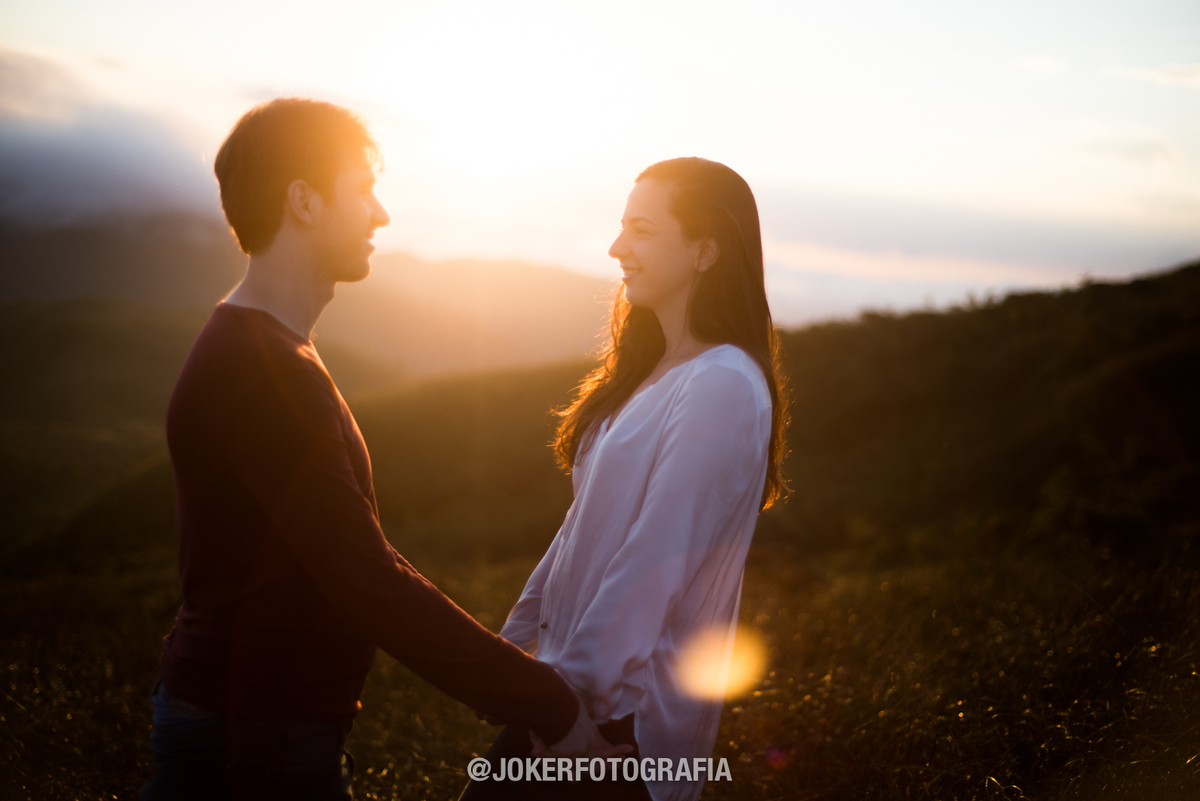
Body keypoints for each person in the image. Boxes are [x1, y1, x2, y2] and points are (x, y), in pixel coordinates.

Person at [140, 98, 626, 801]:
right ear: (304, 201)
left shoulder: (269, 354)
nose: (381, 214)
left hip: (251, 726)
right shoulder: (264, 374)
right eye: (363, 188)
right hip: (253, 738)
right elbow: (367, 579)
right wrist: (547, 702)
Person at [459, 157, 788, 801]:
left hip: (619, 727)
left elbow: (656, 561)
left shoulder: (721, 383)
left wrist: (569, 701)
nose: (617, 248)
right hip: (569, 694)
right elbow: (577, 533)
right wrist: (513, 655)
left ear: (704, 250)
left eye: (641, 230)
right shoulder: (650, 373)